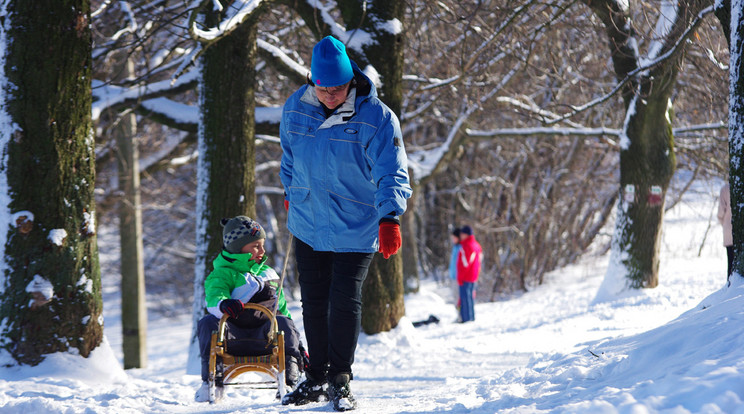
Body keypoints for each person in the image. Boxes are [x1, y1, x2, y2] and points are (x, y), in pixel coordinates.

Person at [279, 35, 412, 411]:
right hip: (307, 221)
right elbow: (288, 157)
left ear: (350, 80)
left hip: (357, 223)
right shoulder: (295, 108)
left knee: (344, 301)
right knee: (313, 302)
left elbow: (393, 172)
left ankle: (340, 378)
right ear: (312, 81)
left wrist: (390, 216)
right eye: (323, 88)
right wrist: (291, 189)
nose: (330, 96)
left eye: (337, 88)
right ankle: (315, 377)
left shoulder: (377, 117)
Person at [195, 216, 303, 402]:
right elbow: (214, 297)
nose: (262, 250)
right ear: (238, 247)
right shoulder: (222, 274)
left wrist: (298, 345)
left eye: (262, 245)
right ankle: (211, 379)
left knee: (284, 322)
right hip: (232, 337)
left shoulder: (268, 274)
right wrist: (224, 303)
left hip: (266, 337)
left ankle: (290, 379)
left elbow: (283, 310)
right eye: (255, 246)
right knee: (207, 323)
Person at [456, 225, 482, 323]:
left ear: (466, 235)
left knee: (465, 298)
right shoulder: (476, 245)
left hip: (466, 277)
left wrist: (460, 277)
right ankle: (471, 317)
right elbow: (479, 261)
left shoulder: (467, 246)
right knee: (470, 297)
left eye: (462, 234)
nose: (461, 236)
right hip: (473, 276)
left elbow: (465, 264)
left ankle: (466, 319)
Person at [717, 183, 734, 281]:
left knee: (731, 263)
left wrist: (724, 223)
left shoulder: (725, 189)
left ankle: (730, 286)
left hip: (729, 230)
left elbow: (720, 212)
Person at [448, 227, 462, 310]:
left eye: (454, 237)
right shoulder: (455, 247)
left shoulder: (461, 248)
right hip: (453, 276)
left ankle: (461, 315)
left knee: (458, 297)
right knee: (455, 296)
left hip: (458, 277)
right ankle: (459, 314)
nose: (453, 239)